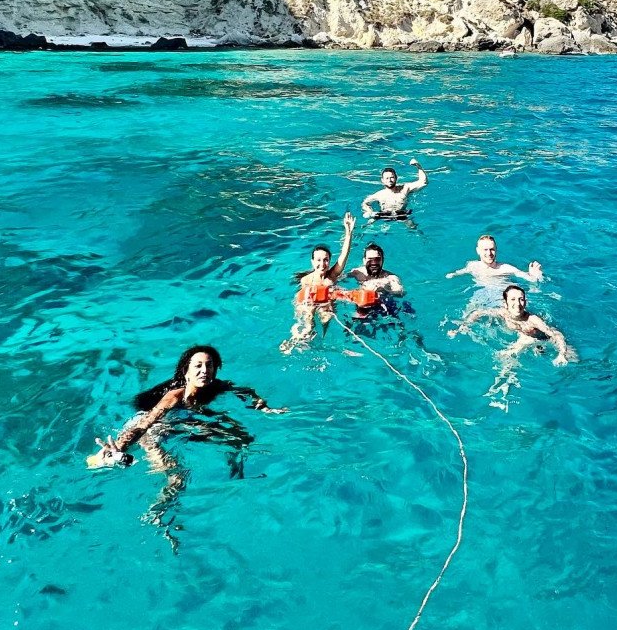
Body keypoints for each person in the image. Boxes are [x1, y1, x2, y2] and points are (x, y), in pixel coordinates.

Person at [87, 344, 286, 469]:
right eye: (198, 366)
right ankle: (158, 514)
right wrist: (121, 444)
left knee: (242, 437)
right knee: (175, 473)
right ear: (186, 372)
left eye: (209, 366)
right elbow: (144, 424)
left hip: (182, 423)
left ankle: (236, 467)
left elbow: (246, 391)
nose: (204, 371)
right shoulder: (174, 397)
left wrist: (264, 407)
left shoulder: (215, 386)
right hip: (155, 430)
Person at [281, 211, 356, 352]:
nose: (322, 264)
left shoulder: (332, 276)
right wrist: (308, 306)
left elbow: (343, 256)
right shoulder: (306, 280)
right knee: (309, 320)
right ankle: (296, 340)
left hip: (326, 303)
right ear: (312, 261)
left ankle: (321, 338)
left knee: (326, 317)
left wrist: (349, 232)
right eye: (318, 260)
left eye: (326, 260)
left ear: (329, 261)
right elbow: (301, 299)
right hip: (308, 303)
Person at [449, 284, 575, 366]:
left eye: (521, 299)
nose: (518, 303)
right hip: (529, 342)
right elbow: (478, 313)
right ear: (506, 303)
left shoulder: (532, 320)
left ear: (525, 302)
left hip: (542, 340)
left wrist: (562, 354)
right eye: (513, 299)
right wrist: (462, 327)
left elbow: (555, 334)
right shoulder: (502, 313)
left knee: (572, 362)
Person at [446, 234, 543, 284]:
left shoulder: (505, 268)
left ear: (496, 250)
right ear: (478, 251)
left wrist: (535, 276)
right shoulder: (472, 265)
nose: (489, 253)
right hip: (481, 293)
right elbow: (465, 270)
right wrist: (454, 274)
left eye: (492, 249)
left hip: (501, 298)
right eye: (485, 250)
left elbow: (528, 278)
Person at [361, 159, 427, 219]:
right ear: (382, 180)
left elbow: (423, 182)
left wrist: (419, 166)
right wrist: (369, 211)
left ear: (396, 178)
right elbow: (365, 203)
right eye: (387, 178)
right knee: (368, 225)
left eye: (392, 177)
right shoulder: (379, 195)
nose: (389, 180)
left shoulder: (405, 188)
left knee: (414, 229)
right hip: (384, 215)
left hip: (402, 214)